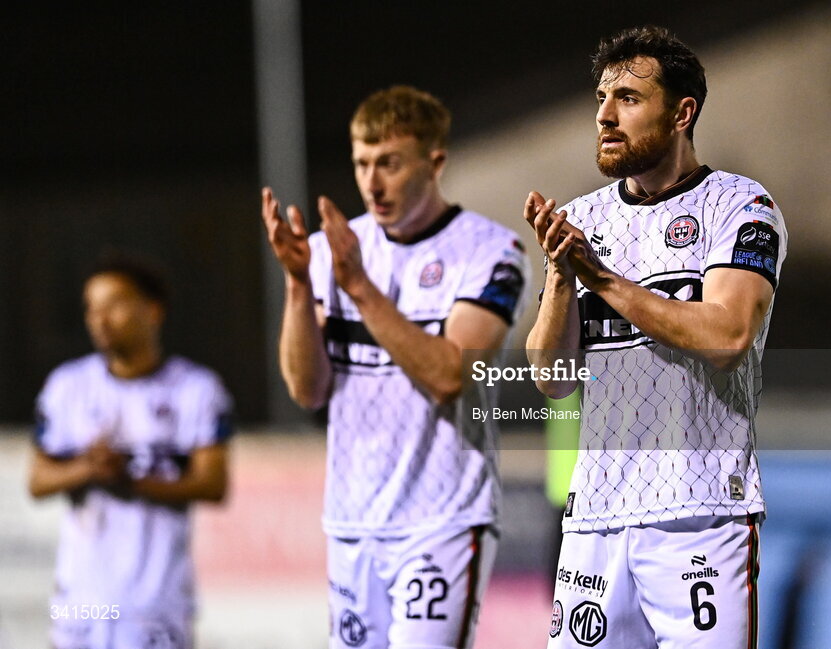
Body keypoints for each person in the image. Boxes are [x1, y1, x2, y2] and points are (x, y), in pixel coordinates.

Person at [525, 26, 788, 649]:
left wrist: (603, 278)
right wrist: (563, 278)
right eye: (601, 98)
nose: (605, 116)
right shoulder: (584, 220)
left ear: (681, 113)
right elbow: (552, 380)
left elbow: (727, 334)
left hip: (701, 518)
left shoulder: (739, 207)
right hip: (594, 521)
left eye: (629, 99)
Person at [261, 85, 527, 649]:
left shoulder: (490, 251)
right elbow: (307, 389)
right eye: (362, 163)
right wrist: (296, 283)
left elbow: (450, 376)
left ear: (434, 162)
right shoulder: (331, 251)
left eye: (389, 163)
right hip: (353, 523)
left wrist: (357, 286)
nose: (372, 182)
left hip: (443, 522)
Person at [29, 254, 233, 649]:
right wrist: (89, 468)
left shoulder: (195, 389)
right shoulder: (67, 386)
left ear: (153, 311)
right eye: (92, 308)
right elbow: (38, 480)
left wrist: (132, 479)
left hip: (155, 604)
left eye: (114, 305)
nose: (100, 319)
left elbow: (213, 483)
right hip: (81, 601)